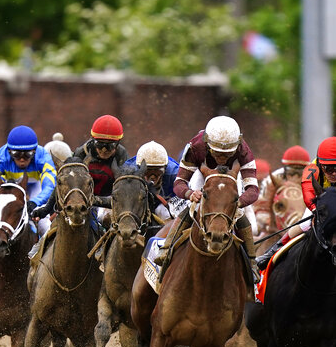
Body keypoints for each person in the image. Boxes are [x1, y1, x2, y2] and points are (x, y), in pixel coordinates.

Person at [257, 136, 336, 319]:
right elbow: (308, 196)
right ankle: (271, 254)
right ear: (320, 164)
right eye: (328, 168)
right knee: (301, 226)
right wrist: (320, 213)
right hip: (320, 208)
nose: (333, 173)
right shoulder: (311, 168)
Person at [155, 116, 260, 294]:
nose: (221, 158)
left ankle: (251, 262)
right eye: (217, 153)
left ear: (236, 146)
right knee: (193, 208)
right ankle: (166, 250)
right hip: (202, 176)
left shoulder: (243, 150)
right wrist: (190, 194)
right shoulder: (195, 147)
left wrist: (236, 202)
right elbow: (179, 183)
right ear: (207, 144)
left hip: (232, 180)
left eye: (227, 155)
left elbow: (253, 190)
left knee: (242, 216)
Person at [0, 125, 57, 262]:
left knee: (43, 222)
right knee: (0, 212)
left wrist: (34, 202)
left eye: (27, 155)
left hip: (36, 187)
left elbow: (49, 187)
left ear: (34, 151)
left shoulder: (44, 158)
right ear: (9, 152)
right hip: (11, 186)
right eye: (16, 155)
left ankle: (52, 257)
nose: (22, 159)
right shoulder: (1, 159)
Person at [258, 145, 311, 236]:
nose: (295, 178)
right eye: (291, 172)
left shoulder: (313, 181)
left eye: (299, 173)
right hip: (276, 229)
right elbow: (261, 208)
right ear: (285, 170)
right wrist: (269, 222)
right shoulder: (272, 180)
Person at [72, 115, 129, 197]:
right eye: (99, 144)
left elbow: (126, 188)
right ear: (92, 140)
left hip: (112, 203)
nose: (104, 150)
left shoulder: (121, 155)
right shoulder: (81, 153)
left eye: (110, 145)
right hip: (82, 203)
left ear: (118, 143)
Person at [125, 140, 181, 222]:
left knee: (163, 212)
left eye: (157, 171)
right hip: (137, 204)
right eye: (147, 171)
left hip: (164, 205)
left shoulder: (175, 174)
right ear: (139, 168)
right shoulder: (129, 172)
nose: (152, 176)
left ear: (165, 168)